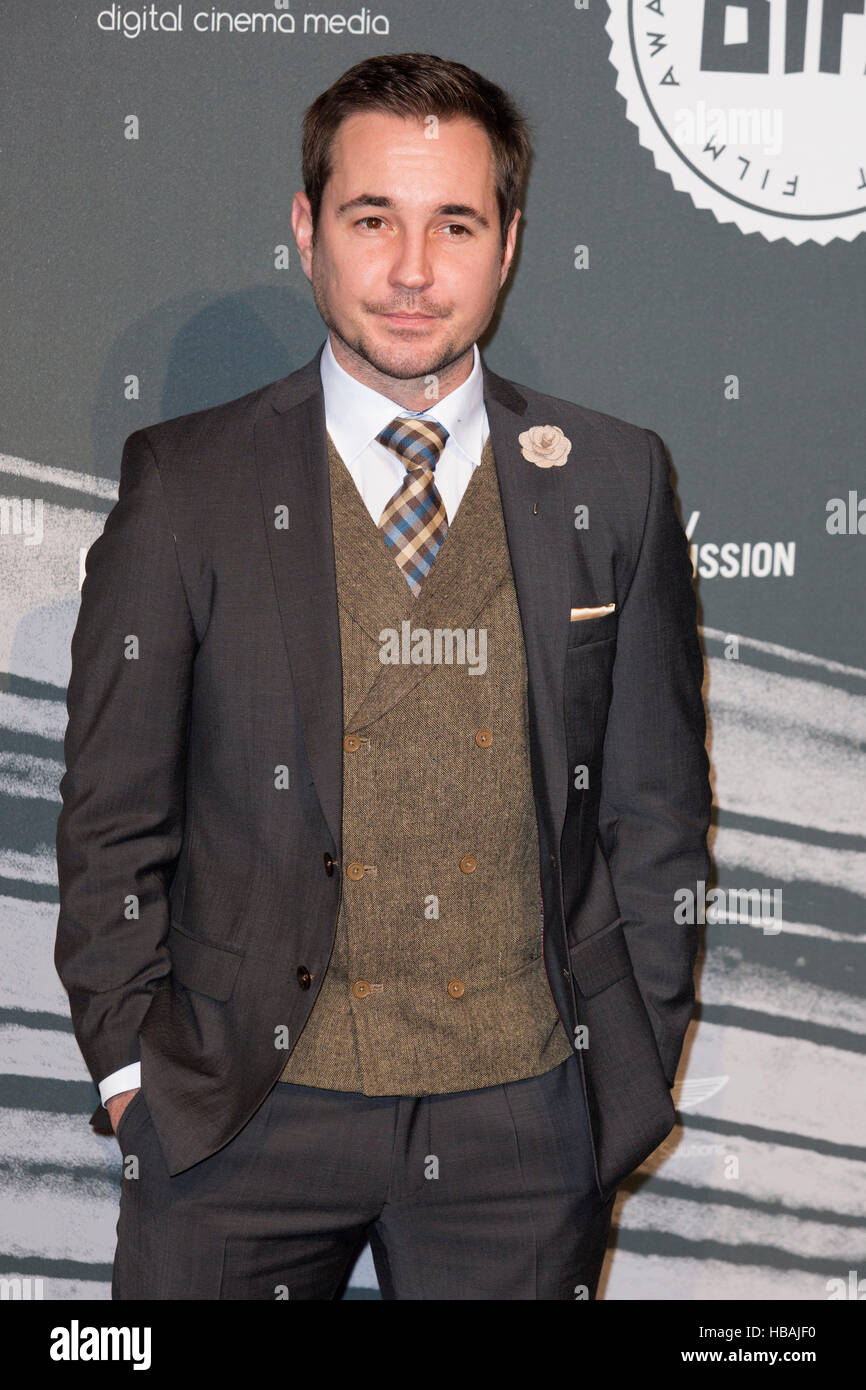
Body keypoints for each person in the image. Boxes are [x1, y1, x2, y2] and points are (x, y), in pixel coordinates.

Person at [55, 51, 712, 1300]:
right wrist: (133, 1074)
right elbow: (111, 812)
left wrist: (620, 1070)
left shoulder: (611, 479)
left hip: (523, 1125)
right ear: (308, 231)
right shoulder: (188, 485)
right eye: (372, 219)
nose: (412, 271)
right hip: (239, 1116)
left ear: (507, 243)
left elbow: (653, 808)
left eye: (453, 223)